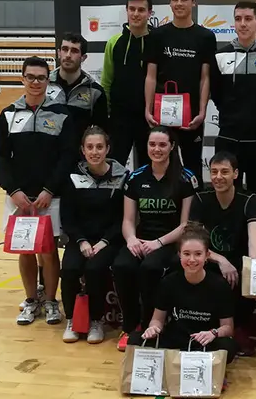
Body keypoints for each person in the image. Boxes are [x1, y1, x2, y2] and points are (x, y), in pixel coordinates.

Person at [0, 56, 77, 325]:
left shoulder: (61, 114)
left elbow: (67, 157)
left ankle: (52, 301)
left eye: (41, 77)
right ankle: (31, 300)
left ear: (48, 80)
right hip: (19, 196)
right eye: (30, 77)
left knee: (49, 250)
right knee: (25, 250)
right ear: (22, 78)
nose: (36, 82)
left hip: (49, 198)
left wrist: (50, 190)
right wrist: (13, 190)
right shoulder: (8, 114)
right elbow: (1, 157)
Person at [112, 126, 197, 351]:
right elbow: (128, 220)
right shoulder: (135, 177)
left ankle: (151, 326)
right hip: (141, 239)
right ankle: (130, 326)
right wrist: (131, 240)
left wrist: (158, 243)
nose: (156, 149)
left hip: (169, 242)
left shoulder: (185, 178)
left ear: (172, 147)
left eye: (162, 144)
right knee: (122, 265)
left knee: (150, 269)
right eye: (152, 144)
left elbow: (186, 225)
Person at [128, 222, 238, 364]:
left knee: (227, 346)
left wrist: (213, 333)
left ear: (207, 256)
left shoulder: (219, 285)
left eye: (198, 254)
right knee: (135, 339)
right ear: (179, 255)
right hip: (176, 340)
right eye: (186, 254)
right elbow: (157, 319)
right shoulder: (168, 282)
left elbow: (228, 328)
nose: (192, 260)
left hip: (204, 341)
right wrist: (153, 329)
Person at [188, 151, 256, 356]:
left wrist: (255, 270)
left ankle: (239, 329)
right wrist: (220, 259)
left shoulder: (249, 199)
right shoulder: (201, 199)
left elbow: (255, 236)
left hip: (239, 259)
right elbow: (193, 239)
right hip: (209, 257)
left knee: (246, 269)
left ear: (236, 174)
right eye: (214, 172)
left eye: (224, 172)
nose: (218, 177)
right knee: (193, 262)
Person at [60, 126, 129, 344]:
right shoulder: (72, 178)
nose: (95, 152)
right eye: (90, 147)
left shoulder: (122, 178)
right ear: (82, 150)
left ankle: (96, 321)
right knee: (70, 268)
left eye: (99, 147)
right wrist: (80, 242)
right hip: (80, 240)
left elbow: (123, 218)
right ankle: (72, 320)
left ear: (108, 148)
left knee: (95, 269)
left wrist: (104, 242)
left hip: (108, 240)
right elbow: (68, 218)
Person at [210, 1, 256, 200]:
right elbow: (216, 94)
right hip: (228, 138)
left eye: (248, 19)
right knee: (227, 195)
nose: (243, 24)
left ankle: (254, 232)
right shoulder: (220, 55)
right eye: (238, 19)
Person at [144, 0, 217, 186]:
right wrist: (147, 109)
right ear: (169, 3)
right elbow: (151, 75)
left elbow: (205, 77)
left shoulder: (205, 37)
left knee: (193, 165)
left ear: (193, 2)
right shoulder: (157, 36)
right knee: (161, 164)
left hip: (191, 115)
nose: (179, 3)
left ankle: (194, 215)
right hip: (162, 113)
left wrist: (202, 112)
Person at [103, 0, 154, 167]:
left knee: (149, 169)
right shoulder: (114, 42)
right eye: (131, 9)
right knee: (114, 167)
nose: (135, 14)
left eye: (141, 10)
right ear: (126, 11)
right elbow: (107, 81)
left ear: (149, 13)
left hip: (149, 119)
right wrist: (106, 114)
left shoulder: (157, 42)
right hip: (119, 118)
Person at [51, 32, 109, 143]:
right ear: (59, 53)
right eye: (65, 49)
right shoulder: (45, 85)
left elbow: (101, 134)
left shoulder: (96, 91)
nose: (68, 55)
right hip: (50, 157)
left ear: (83, 57)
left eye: (74, 51)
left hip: (80, 157)